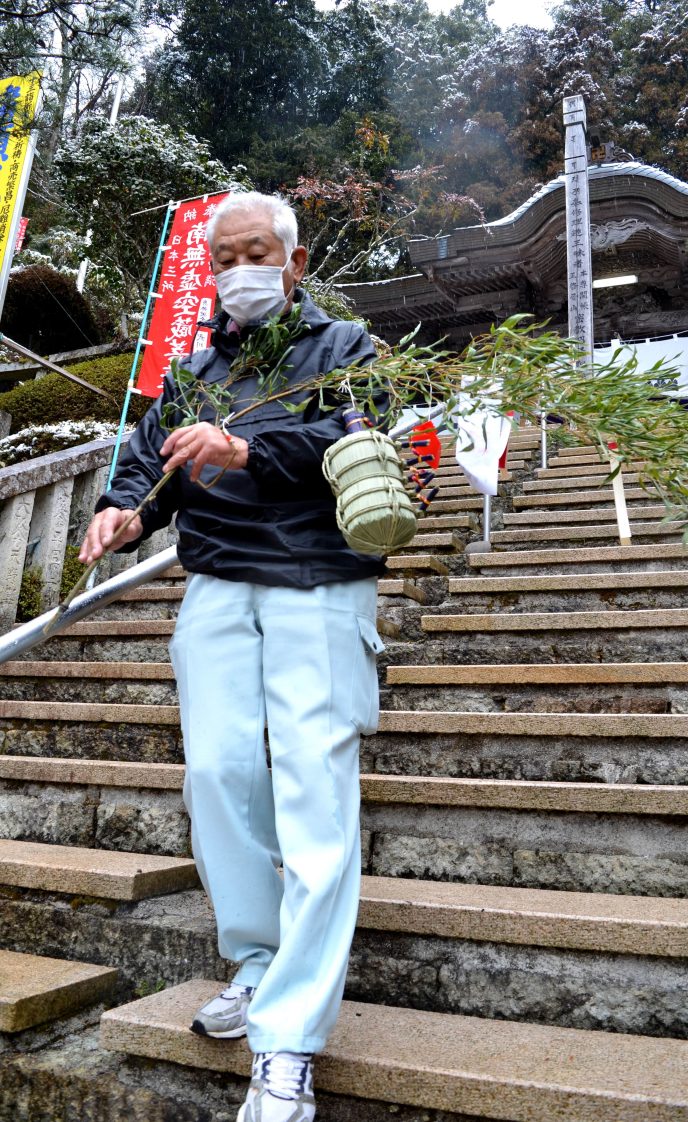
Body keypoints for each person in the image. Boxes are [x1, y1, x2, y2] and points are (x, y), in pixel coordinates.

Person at [79, 191, 387, 1122]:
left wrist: (246, 447)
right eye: (223, 258)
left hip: (318, 581)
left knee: (312, 792)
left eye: (256, 254)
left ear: (294, 265)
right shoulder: (198, 364)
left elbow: (358, 435)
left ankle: (287, 1042)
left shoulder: (351, 350)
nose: (237, 271)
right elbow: (150, 458)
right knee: (216, 776)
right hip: (217, 583)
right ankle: (257, 965)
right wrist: (125, 509)